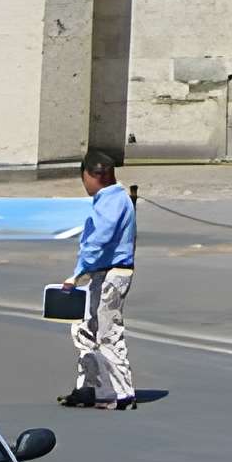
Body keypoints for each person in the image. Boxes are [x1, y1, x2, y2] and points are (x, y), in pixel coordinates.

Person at [57, 150, 137, 410]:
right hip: (104, 272)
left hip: (111, 273)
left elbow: (98, 241)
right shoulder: (113, 198)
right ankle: (90, 387)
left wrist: (77, 275)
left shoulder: (111, 201)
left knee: (107, 333)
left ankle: (123, 393)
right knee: (85, 329)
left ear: (91, 176)